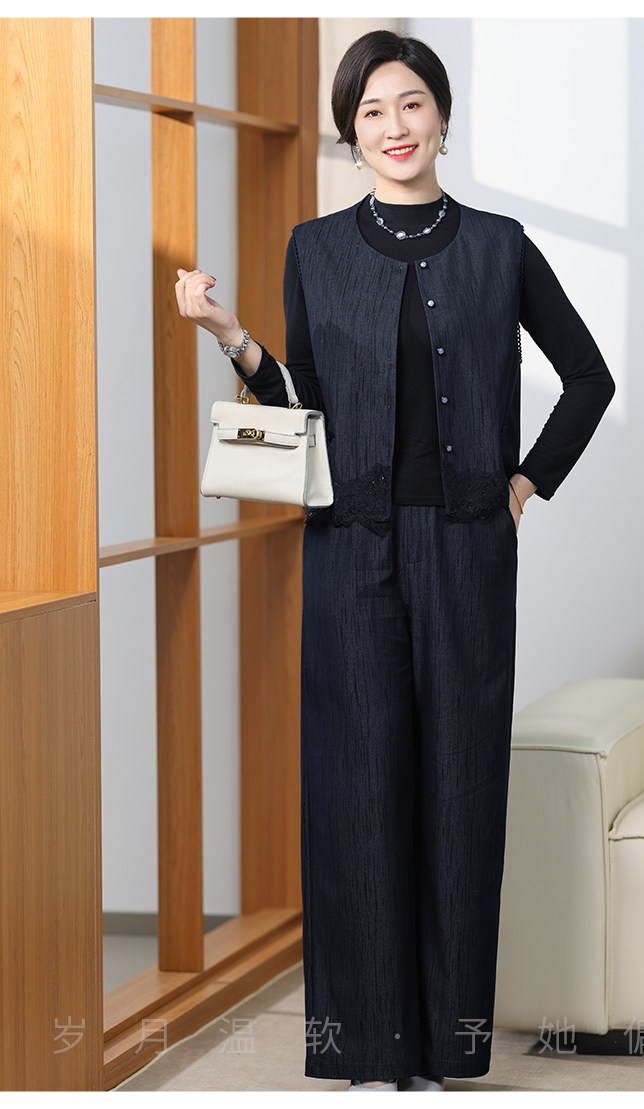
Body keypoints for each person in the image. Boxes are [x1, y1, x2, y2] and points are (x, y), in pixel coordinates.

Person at [175, 29, 615, 1093]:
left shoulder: (500, 246)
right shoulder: (315, 249)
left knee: (460, 791)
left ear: (442, 118)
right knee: (357, 788)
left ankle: (448, 1050)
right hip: (350, 550)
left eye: (410, 103)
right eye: (370, 111)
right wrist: (229, 331)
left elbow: (588, 377)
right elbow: (303, 401)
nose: (394, 125)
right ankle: (368, 1051)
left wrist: (523, 483)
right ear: (351, 133)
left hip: (467, 551)